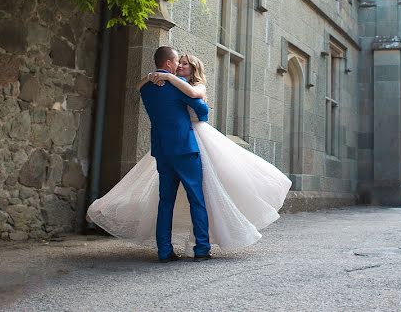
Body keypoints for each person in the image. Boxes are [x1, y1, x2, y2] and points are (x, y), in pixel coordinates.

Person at [87, 49, 292, 257]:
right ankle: (201, 248)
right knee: (196, 197)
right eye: (177, 61)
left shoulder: (147, 88)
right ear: (168, 63)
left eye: (182, 63)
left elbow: (141, 87)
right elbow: (202, 112)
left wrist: (153, 78)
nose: (178, 65)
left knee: (165, 201)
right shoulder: (179, 87)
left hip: (161, 150)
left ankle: (164, 251)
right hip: (185, 147)